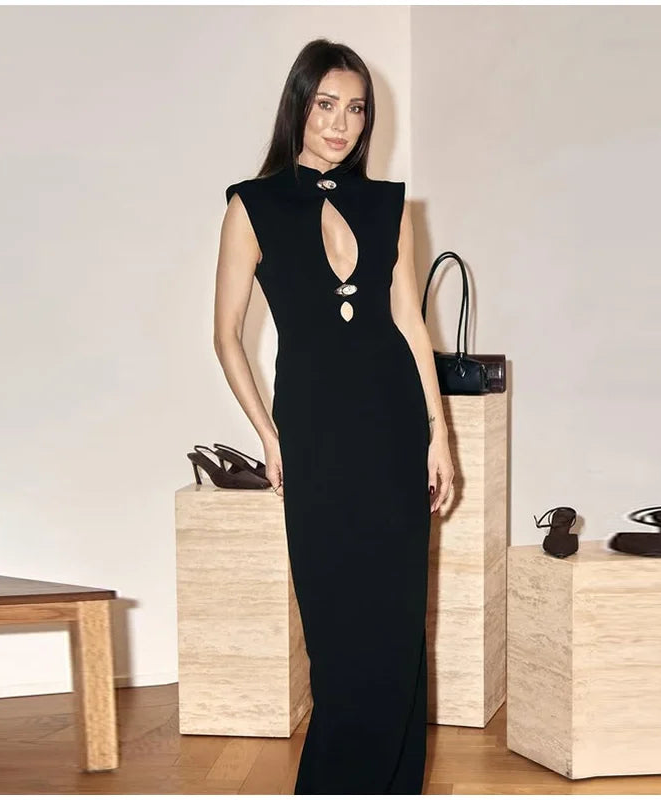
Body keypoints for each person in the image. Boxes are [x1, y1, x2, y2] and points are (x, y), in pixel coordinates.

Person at [214, 37, 454, 794]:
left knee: (396, 631)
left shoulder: (391, 206)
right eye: (326, 105)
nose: (340, 124)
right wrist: (268, 435)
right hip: (315, 436)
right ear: (299, 107)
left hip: (392, 432)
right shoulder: (252, 205)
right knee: (338, 633)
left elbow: (412, 325)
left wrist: (438, 436)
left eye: (355, 109)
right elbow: (225, 336)